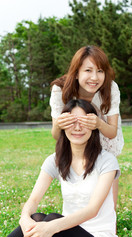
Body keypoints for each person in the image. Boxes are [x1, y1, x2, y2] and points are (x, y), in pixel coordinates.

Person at [5, 99, 120, 237]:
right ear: (63, 126)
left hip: (97, 236)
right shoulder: (55, 160)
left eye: (83, 122)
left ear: (93, 125)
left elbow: (92, 210)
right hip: (64, 231)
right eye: (71, 122)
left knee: (52, 219)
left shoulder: (107, 161)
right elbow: (33, 200)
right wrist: (25, 219)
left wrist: (51, 227)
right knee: (36, 218)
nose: (77, 128)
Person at [49, 45, 124, 209]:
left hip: (104, 134)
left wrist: (98, 123)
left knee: (107, 174)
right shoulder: (60, 90)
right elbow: (56, 134)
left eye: (100, 71)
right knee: (81, 183)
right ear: (76, 73)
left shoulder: (110, 89)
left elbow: (111, 132)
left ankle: (109, 222)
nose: (95, 77)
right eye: (88, 71)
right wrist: (60, 124)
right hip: (75, 139)